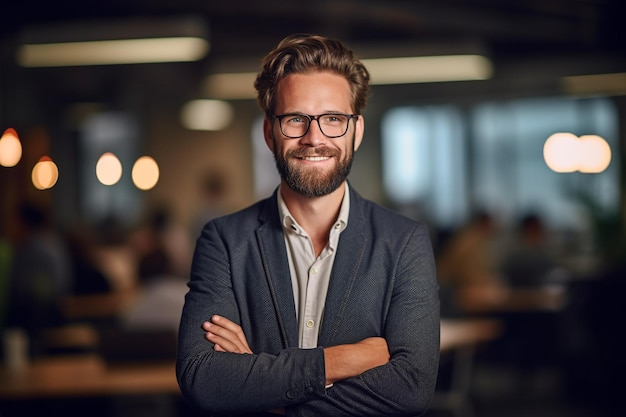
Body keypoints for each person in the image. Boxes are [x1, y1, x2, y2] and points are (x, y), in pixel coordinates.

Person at [176, 34, 440, 417]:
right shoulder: (224, 240)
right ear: (270, 133)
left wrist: (265, 390)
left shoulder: (404, 242)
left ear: (356, 131)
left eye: (333, 119)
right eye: (295, 119)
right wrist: (342, 361)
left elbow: (411, 388)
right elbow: (203, 379)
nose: (314, 138)